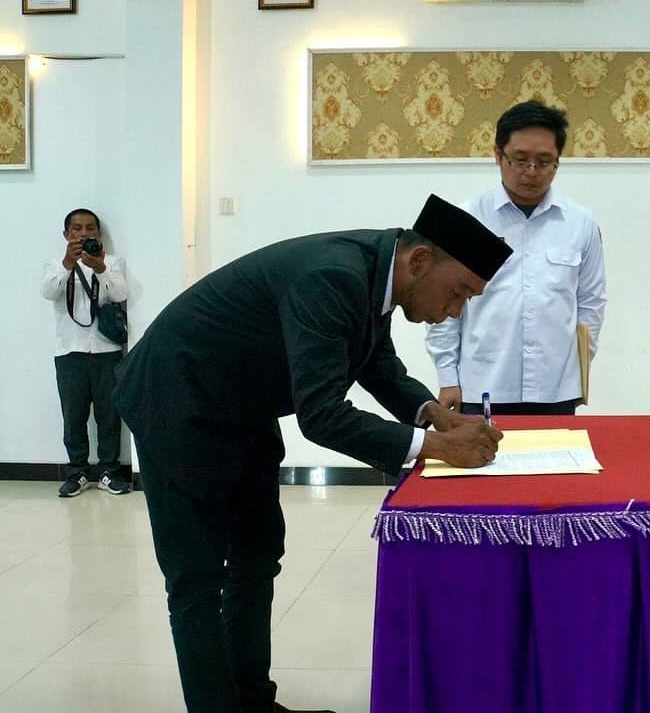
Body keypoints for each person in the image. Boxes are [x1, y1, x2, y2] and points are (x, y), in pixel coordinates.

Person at [113, 195, 511, 713]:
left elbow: (374, 359)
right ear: (419, 261)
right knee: (196, 578)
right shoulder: (333, 276)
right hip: (175, 401)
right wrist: (436, 447)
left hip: (242, 405)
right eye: (458, 293)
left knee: (257, 557)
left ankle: (253, 702)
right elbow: (321, 414)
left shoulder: (376, 274)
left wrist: (435, 414)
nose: (454, 311)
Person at [425, 100, 607, 417]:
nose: (531, 172)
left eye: (544, 162)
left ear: (558, 161)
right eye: (520, 160)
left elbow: (591, 303)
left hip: (556, 389)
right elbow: (442, 305)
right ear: (498, 155)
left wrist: (579, 371)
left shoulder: (581, 223)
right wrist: (447, 377)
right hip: (482, 384)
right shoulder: (467, 219)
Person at [40, 208, 130, 497]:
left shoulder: (112, 262)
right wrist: (68, 263)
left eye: (90, 227)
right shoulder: (55, 264)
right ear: (66, 234)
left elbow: (120, 294)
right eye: (76, 228)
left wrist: (100, 268)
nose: (83, 233)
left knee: (109, 415)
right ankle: (76, 472)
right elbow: (48, 292)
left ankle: (109, 471)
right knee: (73, 415)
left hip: (107, 351)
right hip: (69, 351)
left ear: (98, 233)